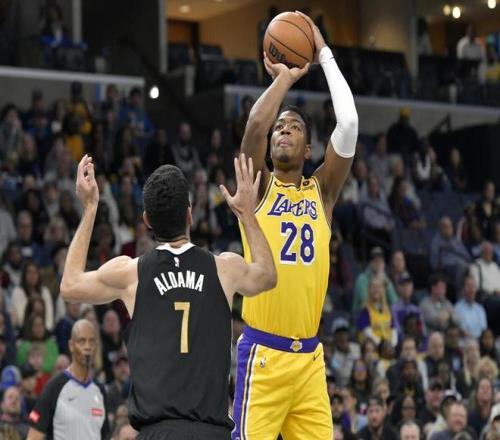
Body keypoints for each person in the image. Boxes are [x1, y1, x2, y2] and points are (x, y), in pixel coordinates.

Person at [59, 154, 276, 439]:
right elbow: (267, 275)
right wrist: (247, 214)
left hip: (157, 431)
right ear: (189, 214)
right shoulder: (224, 268)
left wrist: (89, 208)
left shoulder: (131, 273)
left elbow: (70, 285)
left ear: (147, 220)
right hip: (210, 432)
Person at [235, 11, 358, 439]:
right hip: (263, 353)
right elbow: (255, 125)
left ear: (308, 149)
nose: (283, 130)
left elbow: (349, 124)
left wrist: (323, 54)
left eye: (294, 127)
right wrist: (284, 80)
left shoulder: (321, 192)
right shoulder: (258, 187)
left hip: (309, 359)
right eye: (280, 128)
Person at [26, 319, 110, 440]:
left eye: (91, 341)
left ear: (96, 346)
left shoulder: (100, 390)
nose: (87, 347)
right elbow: (33, 436)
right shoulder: (54, 387)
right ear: (71, 345)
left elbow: (104, 435)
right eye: (82, 341)